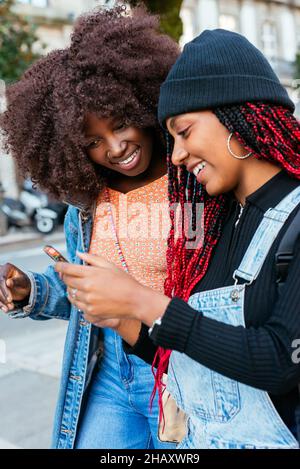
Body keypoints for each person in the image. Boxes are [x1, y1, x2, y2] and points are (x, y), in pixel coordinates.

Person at [55, 29, 300, 449]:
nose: (178, 155)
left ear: (238, 116)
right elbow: (195, 363)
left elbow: (279, 360)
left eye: (184, 132)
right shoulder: (221, 222)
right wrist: (123, 320)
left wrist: (143, 302)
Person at [0, 6, 179, 449]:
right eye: (93, 141)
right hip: (110, 374)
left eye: (121, 125)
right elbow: (88, 298)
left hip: (182, 372)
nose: (116, 147)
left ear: (144, 100)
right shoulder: (86, 206)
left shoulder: (192, 179)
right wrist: (32, 290)